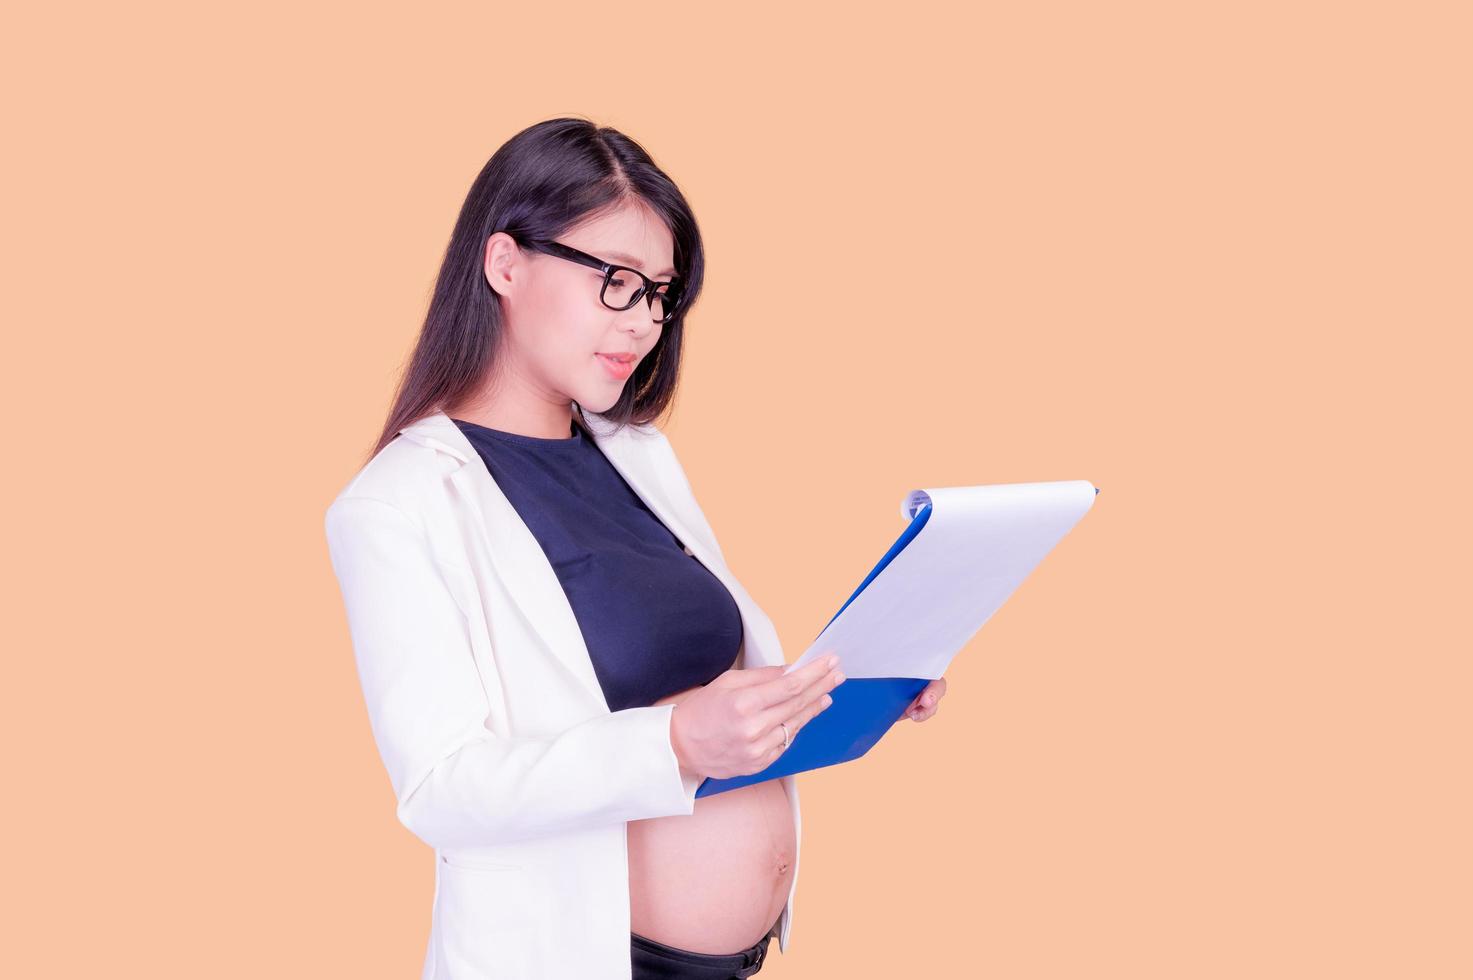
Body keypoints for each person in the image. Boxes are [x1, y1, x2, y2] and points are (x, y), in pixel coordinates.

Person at [325, 118, 951, 980]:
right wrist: (674, 745)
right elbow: (444, 789)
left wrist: (860, 687)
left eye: (659, 291)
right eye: (615, 282)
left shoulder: (637, 455)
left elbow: (704, 689)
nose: (644, 322)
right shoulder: (397, 505)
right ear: (504, 263)